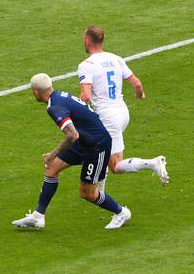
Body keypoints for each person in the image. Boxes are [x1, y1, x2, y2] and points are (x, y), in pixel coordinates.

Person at [12, 73, 131, 230]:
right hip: (85, 140)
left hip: (96, 146)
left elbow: (72, 134)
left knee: (87, 193)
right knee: (52, 167)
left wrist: (52, 154)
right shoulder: (60, 95)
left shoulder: (54, 106)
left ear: (35, 92)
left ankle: (121, 212)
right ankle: (38, 217)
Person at [78, 26, 168, 190]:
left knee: (116, 165)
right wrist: (140, 95)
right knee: (101, 151)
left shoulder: (87, 64)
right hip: (122, 113)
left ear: (87, 41)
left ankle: (153, 163)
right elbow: (137, 83)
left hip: (107, 118)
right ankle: (100, 190)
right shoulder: (116, 58)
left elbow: (85, 96)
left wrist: (77, 111)